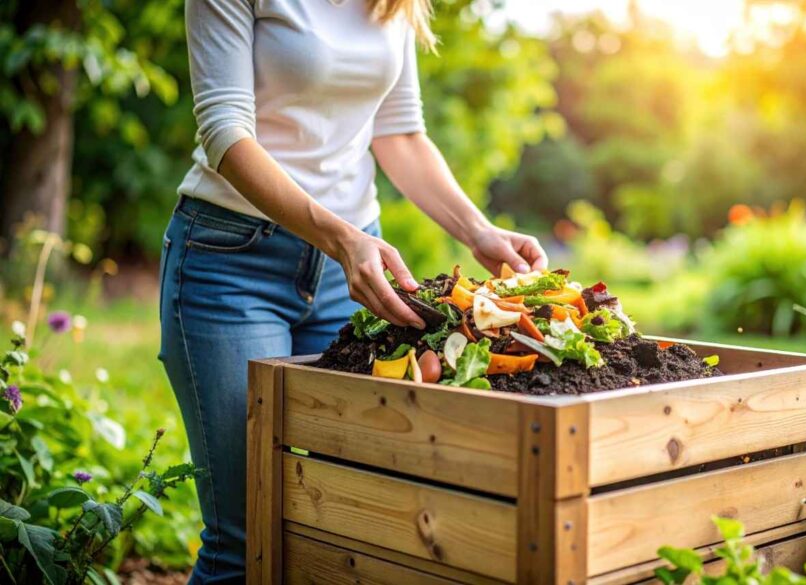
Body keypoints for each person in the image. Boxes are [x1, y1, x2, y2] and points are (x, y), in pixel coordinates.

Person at [158, 0, 548, 581]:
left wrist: (478, 231)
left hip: (353, 274)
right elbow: (224, 132)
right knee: (247, 539)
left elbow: (401, 133)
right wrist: (337, 237)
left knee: (346, 524)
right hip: (232, 263)